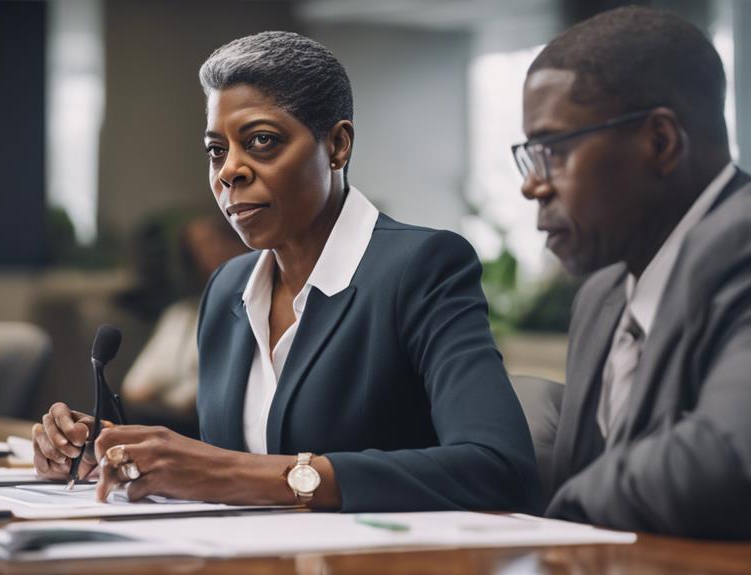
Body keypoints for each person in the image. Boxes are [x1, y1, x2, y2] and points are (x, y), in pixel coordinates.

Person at [33, 31, 540, 513]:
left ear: (338, 145)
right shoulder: (228, 288)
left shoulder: (422, 268)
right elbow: (223, 464)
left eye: (260, 141)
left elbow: (498, 467)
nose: (229, 170)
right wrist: (111, 453)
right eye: (217, 150)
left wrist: (253, 475)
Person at [513, 7, 751, 548]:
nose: (533, 187)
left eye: (556, 152)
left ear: (660, 141)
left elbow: (726, 469)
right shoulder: (603, 292)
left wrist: (559, 518)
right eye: (530, 157)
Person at [121, 214, 248, 425]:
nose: (209, 253)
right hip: (159, 416)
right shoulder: (181, 314)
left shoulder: (254, 312)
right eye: (197, 248)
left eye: (214, 241)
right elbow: (136, 389)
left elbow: (203, 397)